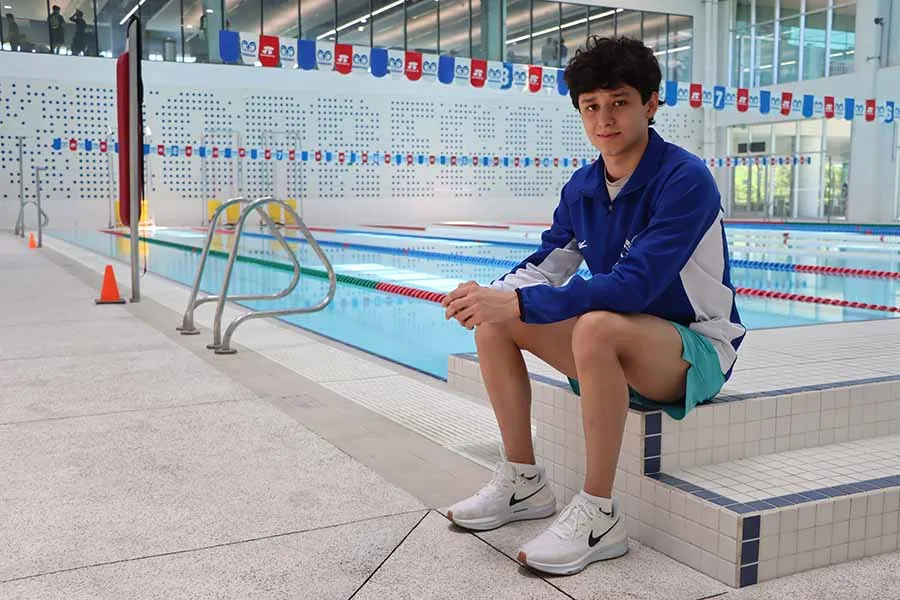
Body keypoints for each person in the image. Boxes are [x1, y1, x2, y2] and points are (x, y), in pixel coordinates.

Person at [441, 35, 745, 576]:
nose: (604, 118)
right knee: (496, 323)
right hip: (618, 344)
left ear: (651, 104)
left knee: (597, 325)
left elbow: (635, 285)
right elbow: (548, 263)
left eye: (620, 102)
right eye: (591, 106)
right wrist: (489, 296)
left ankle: (599, 513)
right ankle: (522, 482)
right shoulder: (583, 187)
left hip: (692, 349)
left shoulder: (684, 179)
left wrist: (518, 302)